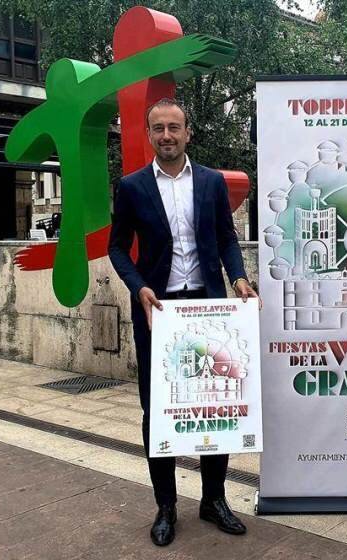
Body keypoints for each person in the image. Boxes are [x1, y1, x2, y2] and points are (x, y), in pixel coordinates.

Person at [108, 98, 260, 547]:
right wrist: (138, 286)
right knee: (158, 411)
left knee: (218, 406)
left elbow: (226, 238)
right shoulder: (133, 187)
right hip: (160, 314)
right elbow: (118, 248)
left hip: (211, 311)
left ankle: (213, 500)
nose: (168, 136)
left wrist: (240, 278)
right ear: (149, 135)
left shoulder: (211, 183)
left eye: (175, 127)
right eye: (159, 129)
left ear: (188, 132)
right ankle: (166, 506)